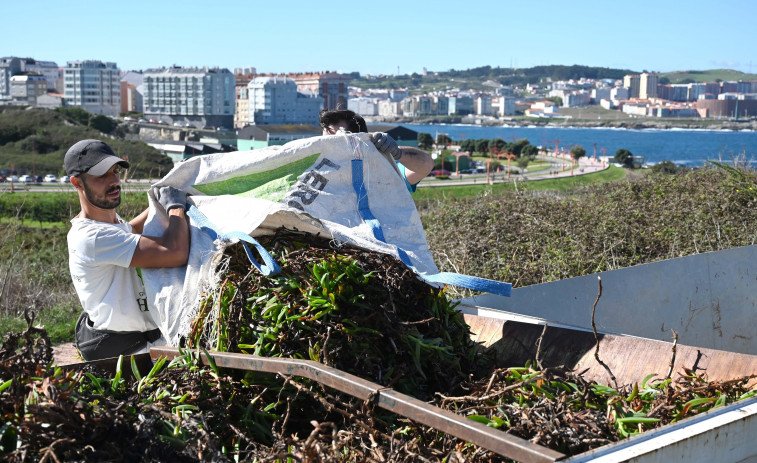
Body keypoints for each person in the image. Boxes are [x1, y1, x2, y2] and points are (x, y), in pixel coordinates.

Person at [65, 139, 190, 361]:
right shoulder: (92, 237)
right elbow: (176, 252)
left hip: (144, 346)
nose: (113, 181)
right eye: (101, 175)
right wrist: (175, 207)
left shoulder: (109, 225)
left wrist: (157, 205)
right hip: (127, 357)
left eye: (114, 171)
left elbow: (128, 231)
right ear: (77, 183)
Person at [319, 109, 434, 192]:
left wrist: (396, 152)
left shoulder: (382, 169)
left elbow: (426, 165)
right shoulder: (316, 172)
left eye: (335, 141)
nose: (328, 146)